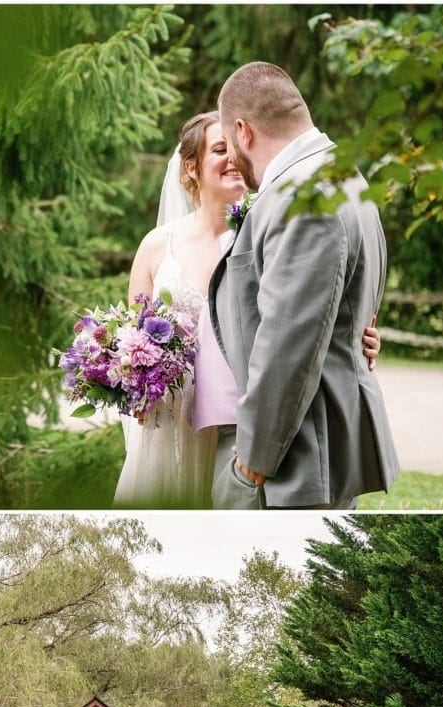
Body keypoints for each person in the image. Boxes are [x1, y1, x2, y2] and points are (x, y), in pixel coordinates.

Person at [114, 112, 382, 508]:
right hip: (175, 424)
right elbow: (132, 339)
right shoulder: (157, 246)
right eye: (219, 150)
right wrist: (132, 384)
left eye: (235, 149)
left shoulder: (266, 232)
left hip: (245, 423)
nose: (232, 159)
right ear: (191, 167)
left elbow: (305, 315)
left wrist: (359, 337)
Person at [202, 62, 399, 509]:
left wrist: (254, 459)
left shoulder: (304, 198)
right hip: (319, 450)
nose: (232, 159)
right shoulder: (343, 177)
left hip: (298, 460)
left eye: (230, 145)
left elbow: (288, 342)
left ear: (243, 131)